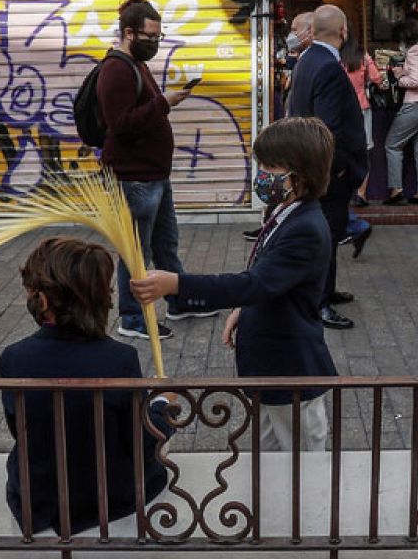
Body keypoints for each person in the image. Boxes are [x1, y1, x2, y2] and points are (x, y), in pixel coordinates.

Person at [132, 118, 338, 449]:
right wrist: (244, 311)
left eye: (270, 167)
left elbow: (254, 282)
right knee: (268, 461)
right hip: (271, 374)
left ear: (299, 174)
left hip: (291, 372)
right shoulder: (284, 210)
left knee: (302, 469)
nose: (262, 176)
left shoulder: (306, 228)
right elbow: (269, 282)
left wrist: (177, 285)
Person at [1, 237, 180, 534]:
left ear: (42, 301)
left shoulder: (14, 358)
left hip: (39, 498)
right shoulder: (120, 360)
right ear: (103, 297)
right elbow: (141, 441)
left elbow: (21, 429)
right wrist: (163, 405)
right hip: (109, 498)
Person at [96, 0, 211, 340]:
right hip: (134, 180)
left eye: (159, 37)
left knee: (165, 245)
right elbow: (119, 124)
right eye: (150, 37)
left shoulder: (135, 65)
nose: (155, 43)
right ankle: (132, 318)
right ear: (129, 33)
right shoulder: (116, 69)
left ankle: (181, 300)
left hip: (154, 176)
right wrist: (164, 103)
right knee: (136, 253)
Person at [285, 4, 368, 330]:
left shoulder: (307, 60)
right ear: (343, 33)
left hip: (312, 166)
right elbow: (329, 126)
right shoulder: (329, 67)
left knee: (327, 234)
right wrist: (340, 170)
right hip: (328, 172)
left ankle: (326, 292)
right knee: (327, 237)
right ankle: (319, 303)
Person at [247, 11, 315, 243]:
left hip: (299, 138)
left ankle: (355, 227)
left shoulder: (316, 63)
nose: (291, 35)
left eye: (295, 30)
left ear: (310, 31)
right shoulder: (302, 59)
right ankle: (270, 224)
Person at [382, 20, 418, 206]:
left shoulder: (415, 50)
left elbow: (415, 81)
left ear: (405, 36)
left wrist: (399, 77)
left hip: (417, 105)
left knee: (392, 145)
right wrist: (404, 70)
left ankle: (396, 190)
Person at [339, 26, 377, 257]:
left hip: (344, 109)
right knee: (364, 151)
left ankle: (347, 194)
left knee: (343, 152)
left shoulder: (335, 59)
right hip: (363, 108)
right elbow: (376, 78)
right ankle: (362, 192)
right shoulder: (362, 56)